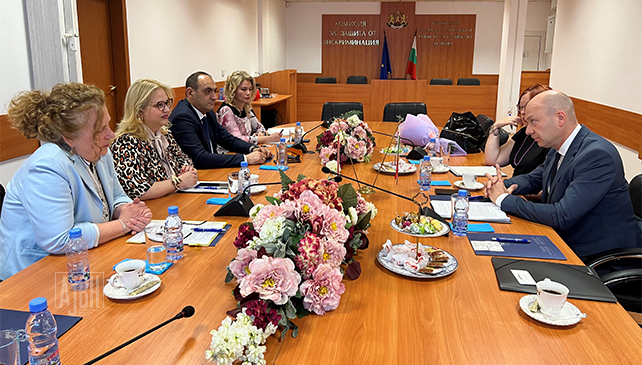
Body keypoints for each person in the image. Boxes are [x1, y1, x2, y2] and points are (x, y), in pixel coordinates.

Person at [0, 83, 152, 280]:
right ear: (69, 137)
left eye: (108, 124)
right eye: (100, 129)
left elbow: (115, 195)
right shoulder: (47, 165)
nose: (111, 135)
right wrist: (123, 224)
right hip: (30, 276)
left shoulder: (101, 152)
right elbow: (59, 239)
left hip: (81, 262)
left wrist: (127, 210)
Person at [484, 90, 641, 262]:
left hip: (597, 257)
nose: (528, 131)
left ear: (560, 118)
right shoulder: (559, 148)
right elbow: (533, 179)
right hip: (562, 242)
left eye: (533, 122)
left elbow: (561, 215)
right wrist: (498, 184)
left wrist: (503, 199)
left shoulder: (597, 155)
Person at [111, 79, 198, 200]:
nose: (167, 109)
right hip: (150, 210)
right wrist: (178, 182)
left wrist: (187, 169)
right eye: (159, 105)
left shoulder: (164, 134)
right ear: (140, 112)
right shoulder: (126, 142)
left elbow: (184, 160)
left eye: (167, 103)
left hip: (173, 200)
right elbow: (137, 190)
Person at [169, 71, 272, 168]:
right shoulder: (182, 117)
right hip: (197, 175)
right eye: (208, 91)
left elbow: (227, 139)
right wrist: (245, 158)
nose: (214, 97)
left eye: (214, 91)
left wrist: (252, 148)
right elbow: (200, 158)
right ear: (190, 93)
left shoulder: (207, 112)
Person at [484, 84, 552, 177]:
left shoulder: (551, 139)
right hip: (516, 187)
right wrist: (496, 127)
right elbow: (493, 160)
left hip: (528, 189)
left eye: (527, 106)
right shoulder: (523, 133)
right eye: (520, 107)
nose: (522, 112)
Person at [216, 70, 282, 153]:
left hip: (245, 149)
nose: (248, 93)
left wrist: (260, 134)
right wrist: (267, 138)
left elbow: (260, 128)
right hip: (229, 154)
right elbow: (237, 139)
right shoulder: (226, 110)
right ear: (233, 90)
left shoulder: (246, 107)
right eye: (244, 89)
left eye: (250, 89)